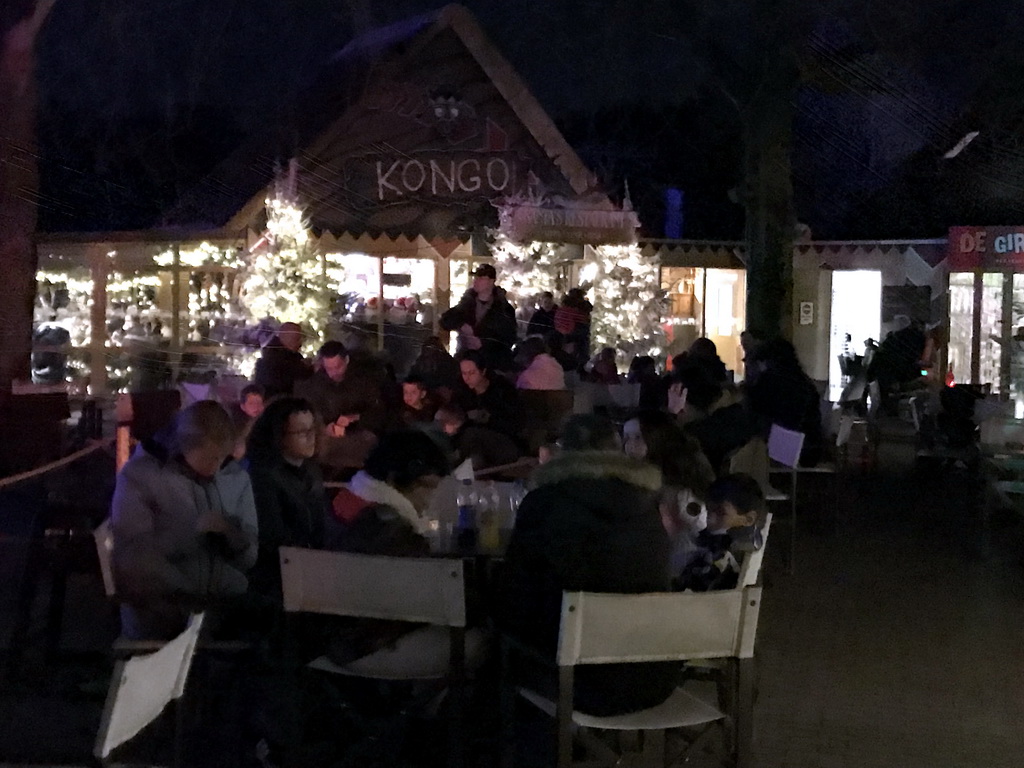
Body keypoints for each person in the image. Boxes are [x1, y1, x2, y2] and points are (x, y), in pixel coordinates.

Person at [499, 414, 677, 717]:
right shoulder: (648, 503)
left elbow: (514, 594)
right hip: (650, 672)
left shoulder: (543, 502)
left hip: (572, 680)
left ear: (563, 452)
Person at [110, 401, 258, 640]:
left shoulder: (235, 477)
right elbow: (133, 561)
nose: (216, 465)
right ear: (185, 446)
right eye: (210, 457)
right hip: (163, 612)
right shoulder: (141, 476)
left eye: (222, 457)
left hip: (225, 609)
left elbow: (249, 557)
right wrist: (192, 532)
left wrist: (233, 535)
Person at [245, 396, 327, 598]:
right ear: (279, 436)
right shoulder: (263, 476)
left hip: (310, 567)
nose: (311, 438)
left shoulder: (311, 471)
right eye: (301, 432)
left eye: (312, 430)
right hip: (278, 579)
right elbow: (272, 536)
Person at [673, 474, 764, 592]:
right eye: (709, 510)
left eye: (721, 513)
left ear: (748, 519)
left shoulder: (728, 550)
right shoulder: (750, 535)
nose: (710, 519)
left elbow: (696, 584)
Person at [745, 338, 824, 466]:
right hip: (808, 449)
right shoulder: (803, 382)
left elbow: (754, 416)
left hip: (781, 452)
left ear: (764, 362)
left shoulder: (769, 384)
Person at [440, 263, 517, 372]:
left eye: (481, 278)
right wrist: (462, 325)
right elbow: (445, 321)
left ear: (491, 281)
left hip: (492, 365)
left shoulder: (504, 308)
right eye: (475, 277)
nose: (476, 281)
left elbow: (509, 339)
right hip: (467, 362)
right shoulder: (467, 303)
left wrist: (482, 343)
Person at [453, 350, 521, 441]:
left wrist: (488, 418)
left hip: (501, 439)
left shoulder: (502, 389)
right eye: (464, 373)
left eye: (472, 373)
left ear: (483, 371)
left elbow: (514, 421)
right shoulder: (462, 390)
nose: (467, 378)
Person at [435, 404, 521, 470]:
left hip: (508, 462)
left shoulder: (469, 435)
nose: (444, 429)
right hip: (507, 457)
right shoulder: (470, 430)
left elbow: (476, 462)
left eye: (444, 424)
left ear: (456, 423)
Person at [253, 322, 312, 398]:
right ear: (289, 338)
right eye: (297, 338)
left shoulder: (276, 355)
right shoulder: (277, 360)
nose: (300, 343)